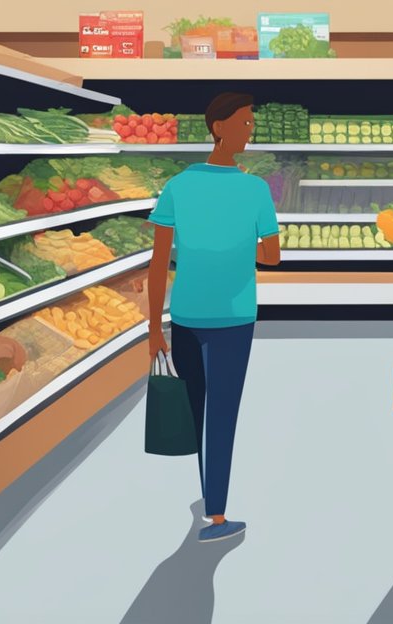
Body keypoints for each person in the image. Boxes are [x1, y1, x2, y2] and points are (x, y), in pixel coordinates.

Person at [147, 92, 281, 543]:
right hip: (234, 316)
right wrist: (243, 244)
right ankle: (217, 517)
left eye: (251, 123)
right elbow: (273, 258)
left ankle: (210, 498)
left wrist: (153, 327)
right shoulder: (255, 189)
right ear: (218, 127)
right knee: (223, 415)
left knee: (199, 410)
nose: (250, 130)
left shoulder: (178, 187)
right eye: (244, 123)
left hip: (186, 315)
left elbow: (158, 261)